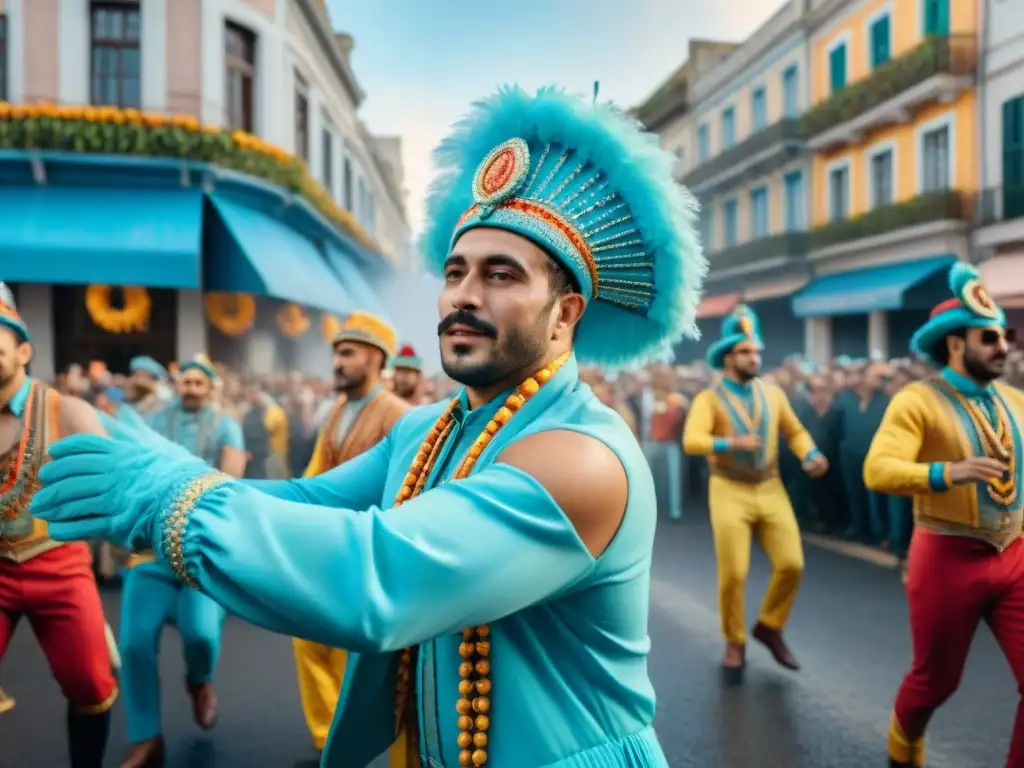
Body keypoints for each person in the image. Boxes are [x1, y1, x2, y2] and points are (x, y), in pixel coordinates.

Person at [30, 84, 704, 768]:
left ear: (564, 314)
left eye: (501, 275)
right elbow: (307, 499)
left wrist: (167, 499)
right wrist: (166, 473)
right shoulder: (429, 429)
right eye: (455, 272)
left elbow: (380, 579)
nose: (464, 295)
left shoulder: (582, 458)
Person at [863, 263, 1024, 768]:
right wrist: (947, 472)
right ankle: (903, 743)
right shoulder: (918, 401)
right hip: (946, 559)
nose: (1003, 346)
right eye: (989, 337)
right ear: (956, 344)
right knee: (936, 681)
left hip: (1015, 556)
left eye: (1005, 336)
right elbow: (877, 470)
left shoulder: (1017, 401)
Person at [0, 283, 119, 767]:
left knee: (90, 683)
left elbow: (117, 484)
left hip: (60, 566)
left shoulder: (67, 410)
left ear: (24, 351)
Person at [682, 304, 828, 684]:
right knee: (734, 573)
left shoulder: (773, 395)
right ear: (728, 357)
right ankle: (735, 641)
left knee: (792, 564)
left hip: (770, 485)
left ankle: (770, 625)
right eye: (745, 352)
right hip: (728, 487)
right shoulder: (709, 399)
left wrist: (810, 454)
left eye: (756, 351)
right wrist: (730, 443)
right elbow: (692, 441)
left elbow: (795, 432)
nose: (754, 358)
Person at [114, 356, 247, 767]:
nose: (190, 388)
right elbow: (134, 470)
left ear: (210, 387)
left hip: (199, 550)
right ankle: (146, 737)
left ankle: (199, 681)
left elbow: (231, 482)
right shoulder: (154, 420)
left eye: (197, 382)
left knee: (201, 635)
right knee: (134, 642)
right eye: (185, 381)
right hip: (150, 549)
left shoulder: (226, 425)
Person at [294, 311, 409, 759]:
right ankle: (328, 741)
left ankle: (349, 749)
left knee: (351, 656)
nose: (337, 363)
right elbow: (315, 477)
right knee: (307, 641)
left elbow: (406, 491)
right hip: (327, 550)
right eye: (336, 354)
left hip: (368, 556)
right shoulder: (337, 412)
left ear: (376, 358)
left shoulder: (399, 416)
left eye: (347, 353)